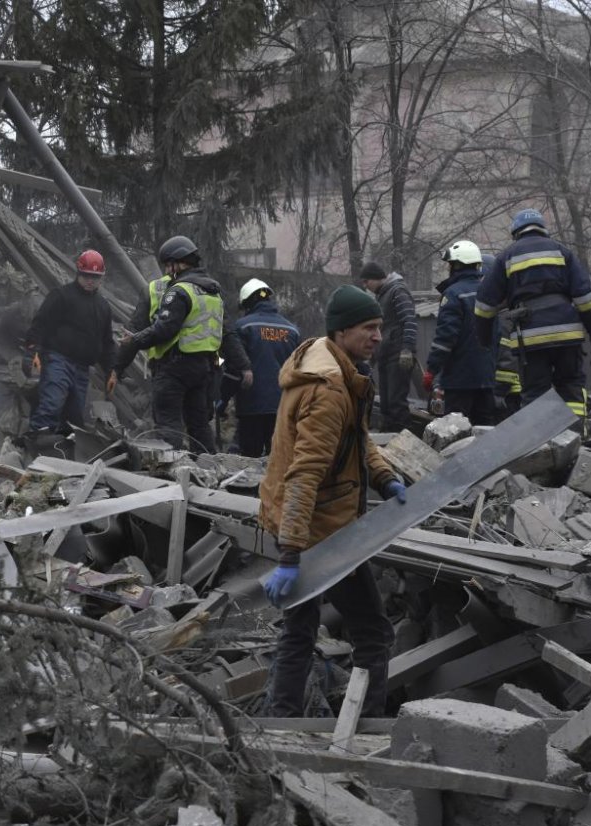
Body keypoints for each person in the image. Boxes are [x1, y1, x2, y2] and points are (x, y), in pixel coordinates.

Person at [258, 285, 405, 717]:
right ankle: (365, 734)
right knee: (374, 635)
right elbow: (305, 474)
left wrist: (384, 478)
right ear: (341, 332)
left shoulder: (326, 364)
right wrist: (291, 555)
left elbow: (356, 441)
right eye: (368, 328)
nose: (378, 336)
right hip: (321, 532)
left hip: (306, 524)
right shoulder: (329, 390)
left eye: (380, 327)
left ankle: (279, 721)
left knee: (299, 631)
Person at [115, 235, 249, 452]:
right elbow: (227, 333)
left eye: (169, 265)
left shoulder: (179, 291)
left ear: (180, 262)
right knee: (199, 425)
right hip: (203, 370)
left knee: (169, 425)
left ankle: (170, 476)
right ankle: (208, 469)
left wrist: (135, 340)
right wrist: (244, 366)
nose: (167, 271)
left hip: (173, 368)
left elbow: (164, 329)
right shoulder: (211, 293)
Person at [475, 208, 591, 419]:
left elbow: (484, 306)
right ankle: (576, 439)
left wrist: (484, 339)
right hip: (567, 336)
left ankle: (540, 446)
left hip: (531, 340)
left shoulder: (507, 256)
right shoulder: (563, 252)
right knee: (571, 388)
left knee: (535, 393)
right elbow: (586, 300)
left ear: (516, 233)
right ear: (543, 229)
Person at [21, 249, 117, 434]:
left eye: (95, 277)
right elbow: (39, 324)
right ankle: (33, 448)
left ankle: (61, 455)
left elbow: (107, 343)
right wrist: (33, 351)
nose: (90, 280)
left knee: (74, 419)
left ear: (101, 278)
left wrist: (112, 370)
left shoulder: (103, 307)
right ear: (79, 272)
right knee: (51, 405)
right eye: (87, 275)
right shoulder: (61, 296)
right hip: (58, 360)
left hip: (82, 369)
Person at [221, 278, 300, 456]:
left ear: (247, 303)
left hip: (251, 406)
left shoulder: (243, 327)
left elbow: (233, 367)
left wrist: (222, 400)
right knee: (280, 460)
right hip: (284, 406)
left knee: (250, 460)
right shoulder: (293, 330)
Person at [422, 241, 498, 425]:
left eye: (450, 264)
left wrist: (432, 370)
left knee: (456, 433)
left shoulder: (453, 294)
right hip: (486, 379)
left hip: (459, 381)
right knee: (483, 431)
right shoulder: (488, 293)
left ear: (456, 265)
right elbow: (497, 334)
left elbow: (445, 338)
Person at [359, 262, 417, 432]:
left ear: (376, 278)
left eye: (366, 281)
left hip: (398, 356)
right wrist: (372, 358)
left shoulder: (397, 291)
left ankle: (403, 443)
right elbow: (381, 332)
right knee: (385, 405)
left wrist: (407, 349)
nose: (365, 286)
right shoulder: (383, 296)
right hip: (386, 355)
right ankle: (389, 444)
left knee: (396, 404)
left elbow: (409, 321)